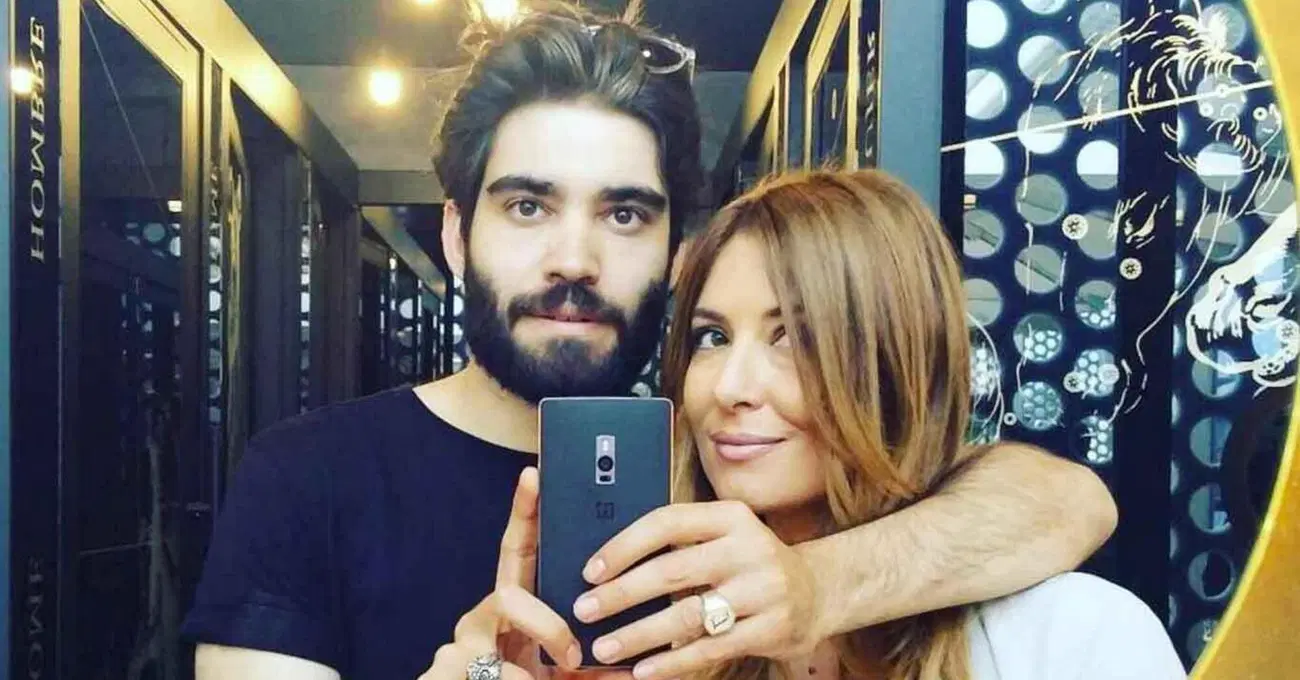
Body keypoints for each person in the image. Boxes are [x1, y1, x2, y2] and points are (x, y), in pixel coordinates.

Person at [183, 6, 1119, 680]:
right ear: (458, 235)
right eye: (528, 206)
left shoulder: (727, 470)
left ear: (676, 253)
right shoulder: (308, 479)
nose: (575, 258)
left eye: (624, 213)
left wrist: (811, 584)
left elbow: (1065, 502)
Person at [422, 169, 1184, 680]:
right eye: (711, 337)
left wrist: (816, 586)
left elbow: (1074, 500)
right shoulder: (654, 641)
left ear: (898, 361)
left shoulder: (1067, 640)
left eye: (795, 337)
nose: (730, 387)